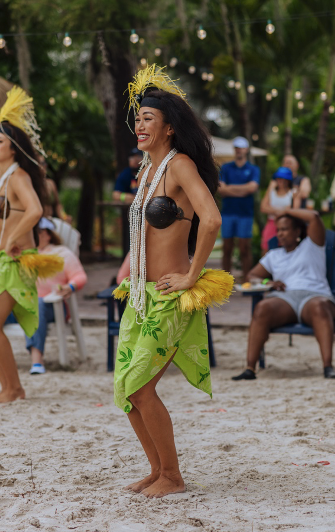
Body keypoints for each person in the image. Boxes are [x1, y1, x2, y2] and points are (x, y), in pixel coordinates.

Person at [112, 65, 230, 498]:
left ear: (169, 128)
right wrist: (127, 271)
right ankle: (157, 470)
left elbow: (212, 218)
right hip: (141, 295)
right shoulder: (146, 170)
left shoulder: (179, 165)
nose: (139, 125)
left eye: (148, 118)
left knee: (141, 387)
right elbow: (143, 234)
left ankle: (174, 477)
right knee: (127, 391)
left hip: (169, 296)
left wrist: (191, 275)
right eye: (137, 118)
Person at [0, 86, 63, 403]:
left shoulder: (18, 176)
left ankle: (14, 389)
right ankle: (9, 387)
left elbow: (36, 210)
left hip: (17, 261)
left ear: (13, 148)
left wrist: (10, 238)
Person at [0, 217, 87, 375]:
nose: (34, 237)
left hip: (50, 305)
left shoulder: (62, 254)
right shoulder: (17, 254)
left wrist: (70, 286)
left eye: (38, 232)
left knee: (37, 304)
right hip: (16, 305)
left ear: (49, 234)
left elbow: (80, 276)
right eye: (31, 233)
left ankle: (37, 360)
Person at [232, 209, 335, 381]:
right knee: (262, 308)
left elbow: (314, 217)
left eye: (285, 229)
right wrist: (268, 283)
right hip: (286, 299)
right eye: (278, 230)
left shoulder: (312, 245)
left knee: (318, 307)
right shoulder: (273, 256)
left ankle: (328, 367)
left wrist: (285, 210)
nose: (280, 234)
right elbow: (251, 277)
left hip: (315, 295)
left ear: (297, 231)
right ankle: (249, 368)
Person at [218, 137, 260, 279]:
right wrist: (243, 189)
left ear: (246, 150)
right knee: (227, 248)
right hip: (228, 213)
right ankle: (226, 280)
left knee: (244, 248)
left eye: (241, 148)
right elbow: (221, 190)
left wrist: (230, 188)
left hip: (245, 214)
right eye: (236, 148)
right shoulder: (225, 167)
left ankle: (246, 278)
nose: (239, 150)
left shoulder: (253, 169)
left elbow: (253, 188)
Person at [260, 167, 299, 252]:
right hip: (271, 223)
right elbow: (263, 208)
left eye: (282, 179)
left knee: (286, 249)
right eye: (278, 179)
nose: (280, 181)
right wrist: (283, 210)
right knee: (266, 248)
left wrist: (272, 209)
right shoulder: (272, 191)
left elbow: (295, 210)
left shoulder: (293, 192)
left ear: (288, 180)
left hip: (286, 225)